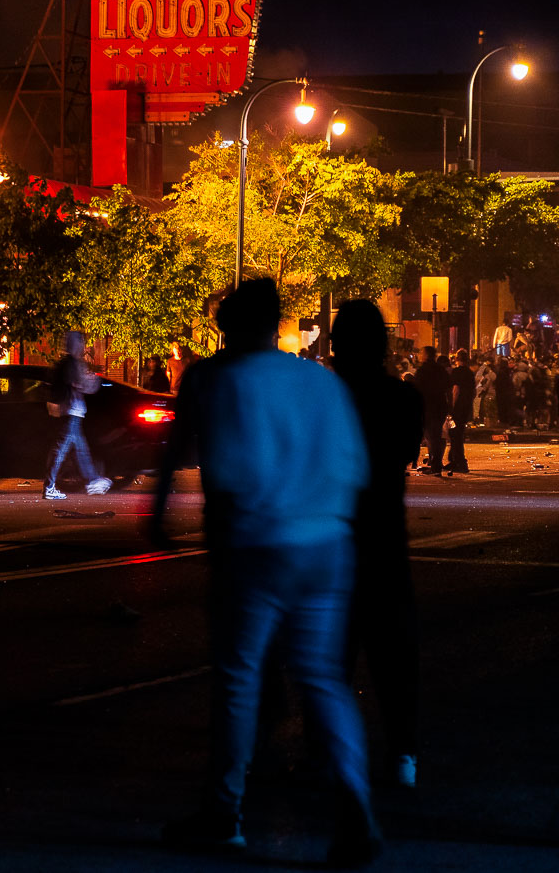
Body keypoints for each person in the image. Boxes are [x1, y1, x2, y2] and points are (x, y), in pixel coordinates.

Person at [149, 279, 378, 865]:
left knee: (239, 678)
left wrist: (160, 519)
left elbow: (181, 456)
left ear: (226, 326)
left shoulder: (212, 377)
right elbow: (355, 468)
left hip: (253, 542)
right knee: (323, 678)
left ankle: (224, 812)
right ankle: (357, 807)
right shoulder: (320, 382)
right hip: (326, 542)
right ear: (275, 324)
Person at [332, 300, 424, 790]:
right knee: (395, 661)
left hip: (335, 543)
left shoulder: (324, 401)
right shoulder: (403, 399)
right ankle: (403, 755)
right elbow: (406, 453)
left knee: (333, 662)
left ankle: (334, 759)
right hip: (386, 540)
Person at [44, 331, 111, 500]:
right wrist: (95, 380)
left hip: (72, 411)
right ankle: (50, 486)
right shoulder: (72, 364)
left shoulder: (65, 363)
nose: (83, 346)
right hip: (72, 411)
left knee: (79, 450)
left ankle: (92, 480)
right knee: (61, 451)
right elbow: (81, 384)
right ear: (75, 344)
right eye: (81, 342)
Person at [412, 346, 449, 474]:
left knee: (431, 436)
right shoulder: (441, 370)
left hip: (427, 406)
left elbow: (417, 389)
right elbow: (447, 386)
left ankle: (435, 465)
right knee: (436, 435)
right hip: (440, 406)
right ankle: (436, 462)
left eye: (422, 353)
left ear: (426, 355)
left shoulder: (423, 371)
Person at [445, 350, 475, 473]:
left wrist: (452, 405)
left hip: (458, 407)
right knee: (459, 433)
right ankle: (453, 459)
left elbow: (456, 390)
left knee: (455, 434)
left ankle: (460, 462)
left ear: (457, 359)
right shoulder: (469, 373)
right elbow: (474, 391)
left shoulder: (456, 372)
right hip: (466, 406)